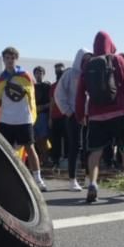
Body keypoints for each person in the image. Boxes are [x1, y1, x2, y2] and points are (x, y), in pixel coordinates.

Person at [75, 31, 124, 203]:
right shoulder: (117, 60)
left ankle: (93, 184)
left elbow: (80, 92)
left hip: (96, 116)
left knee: (95, 152)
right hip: (118, 112)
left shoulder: (88, 64)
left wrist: (80, 114)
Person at [0, 47, 49, 192]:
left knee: (30, 148)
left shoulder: (25, 76)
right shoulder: (0, 79)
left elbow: (32, 98)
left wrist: (31, 114)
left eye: (12, 58)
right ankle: (7, 179)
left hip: (24, 119)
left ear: (16, 59)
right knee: (6, 151)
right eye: (7, 58)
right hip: (6, 120)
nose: (10, 61)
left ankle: (38, 179)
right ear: (3, 59)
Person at [55, 49, 90, 191]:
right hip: (73, 116)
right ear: (79, 59)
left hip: (89, 117)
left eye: (89, 59)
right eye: (85, 58)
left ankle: (88, 178)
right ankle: (72, 180)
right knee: (74, 148)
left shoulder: (90, 74)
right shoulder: (69, 74)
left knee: (89, 148)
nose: (87, 61)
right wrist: (68, 112)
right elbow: (59, 94)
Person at [31, 66, 51, 166]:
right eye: (37, 73)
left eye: (40, 73)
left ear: (43, 74)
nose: (39, 75)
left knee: (44, 139)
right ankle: (40, 160)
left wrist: (42, 107)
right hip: (33, 116)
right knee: (36, 139)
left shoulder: (47, 86)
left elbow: (51, 102)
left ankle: (46, 159)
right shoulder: (31, 86)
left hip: (43, 115)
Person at [47, 63, 66, 169]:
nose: (59, 71)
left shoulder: (66, 84)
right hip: (55, 116)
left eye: (60, 70)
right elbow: (52, 102)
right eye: (57, 70)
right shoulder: (53, 86)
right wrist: (50, 117)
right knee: (56, 140)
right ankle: (56, 160)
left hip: (66, 115)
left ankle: (67, 159)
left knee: (68, 139)